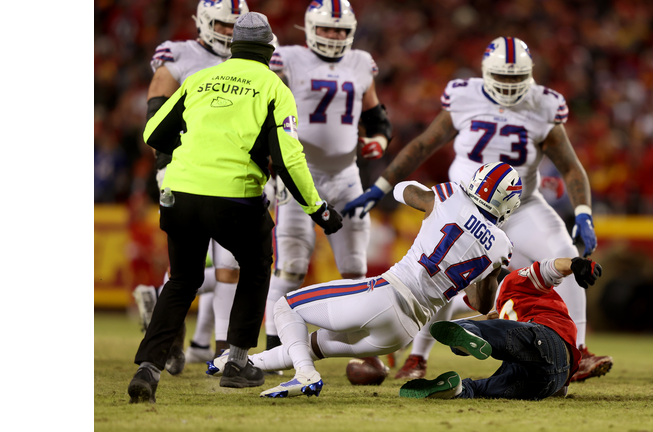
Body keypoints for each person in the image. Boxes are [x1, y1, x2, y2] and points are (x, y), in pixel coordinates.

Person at [342, 36, 612, 383]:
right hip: (465, 205)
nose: (511, 84)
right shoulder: (465, 96)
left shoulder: (544, 105)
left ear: (529, 74)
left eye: (517, 78)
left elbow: (571, 167)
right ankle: (417, 357)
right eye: (504, 77)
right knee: (442, 274)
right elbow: (424, 144)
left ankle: (580, 352)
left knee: (565, 253)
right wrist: (381, 186)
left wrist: (584, 213)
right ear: (486, 73)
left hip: (523, 205)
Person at [128, 11, 343, 404]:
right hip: (234, 197)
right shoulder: (272, 86)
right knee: (259, 265)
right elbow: (290, 158)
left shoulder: (198, 79)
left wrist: (196, 155)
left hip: (180, 193)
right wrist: (318, 209)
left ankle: (148, 367)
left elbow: (153, 132)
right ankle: (237, 361)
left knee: (182, 280)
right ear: (268, 48)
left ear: (233, 46)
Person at [207, 162, 522, 398]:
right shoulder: (501, 247)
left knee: (286, 305)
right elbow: (482, 302)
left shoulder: (450, 195)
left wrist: (420, 194)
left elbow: (404, 191)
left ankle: (304, 375)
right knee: (314, 344)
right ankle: (246, 362)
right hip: (405, 331)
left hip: (388, 293)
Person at [132, 0, 281, 375]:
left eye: (235, 26)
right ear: (201, 21)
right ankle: (205, 351)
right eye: (221, 24)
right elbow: (155, 120)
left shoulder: (249, 69)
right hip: (196, 172)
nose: (228, 31)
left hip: (205, 178)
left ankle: (209, 349)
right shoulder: (181, 56)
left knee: (208, 268)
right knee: (209, 266)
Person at [260, 0, 392, 361]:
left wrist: (378, 141)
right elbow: (263, 112)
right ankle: (276, 349)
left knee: (354, 268)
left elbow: (377, 116)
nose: (334, 37)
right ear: (309, 28)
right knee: (291, 267)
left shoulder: (361, 62)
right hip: (299, 174)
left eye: (340, 30)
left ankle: (357, 348)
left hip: (347, 175)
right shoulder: (286, 58)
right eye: (327, 29)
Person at [399, 256, 603, 400]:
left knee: (469, 327)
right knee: (483, 387)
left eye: (472, 284)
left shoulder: (513, 280)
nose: (470, 291)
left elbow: (550, 268)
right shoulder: (503, 307)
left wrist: (575, 263)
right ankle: (459, 389)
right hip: (552, 381)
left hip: (545, 338)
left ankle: (472, 333)